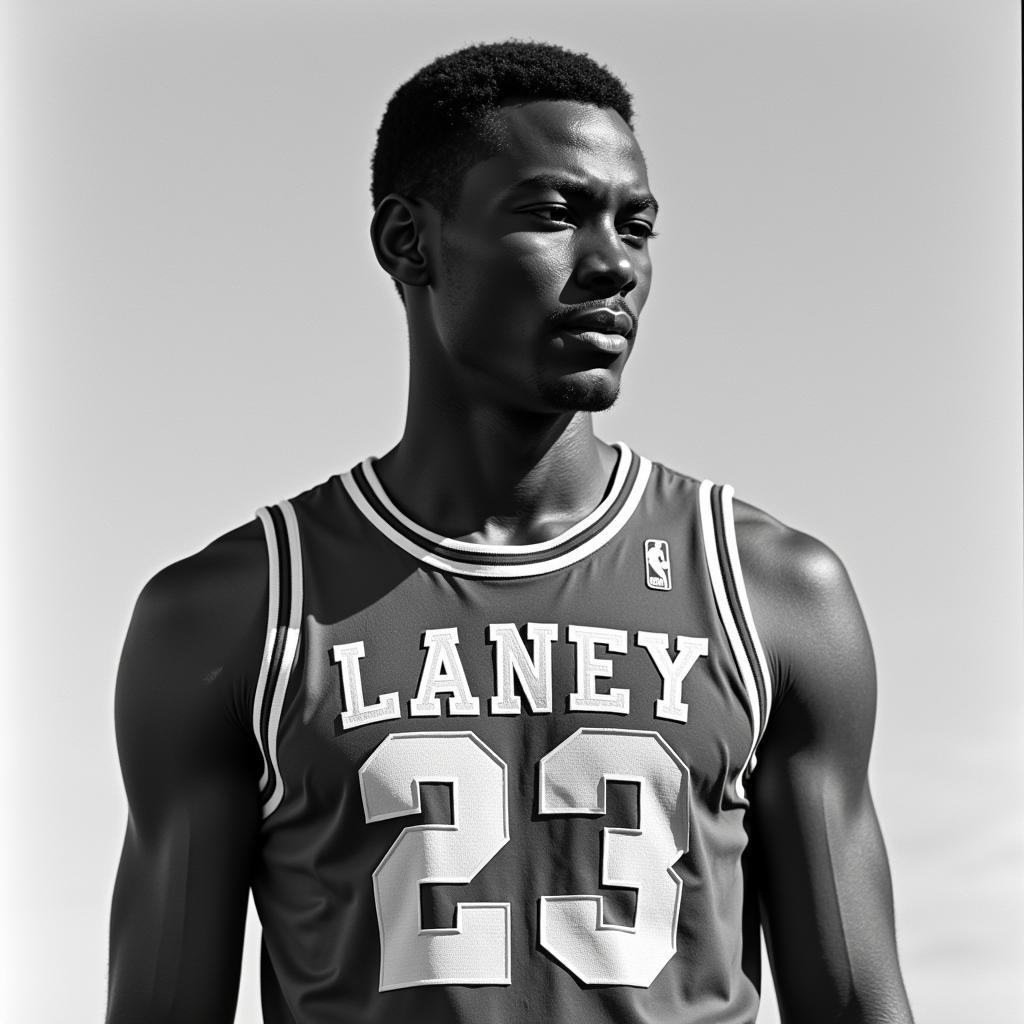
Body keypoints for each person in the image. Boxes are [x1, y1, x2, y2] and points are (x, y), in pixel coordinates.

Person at [106, 40, 915, 1024]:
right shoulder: (234, 614)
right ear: (409, 242)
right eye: (552, 213)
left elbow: (858, 1004)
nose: (613, 263)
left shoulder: (773, 593)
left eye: (637, 225)